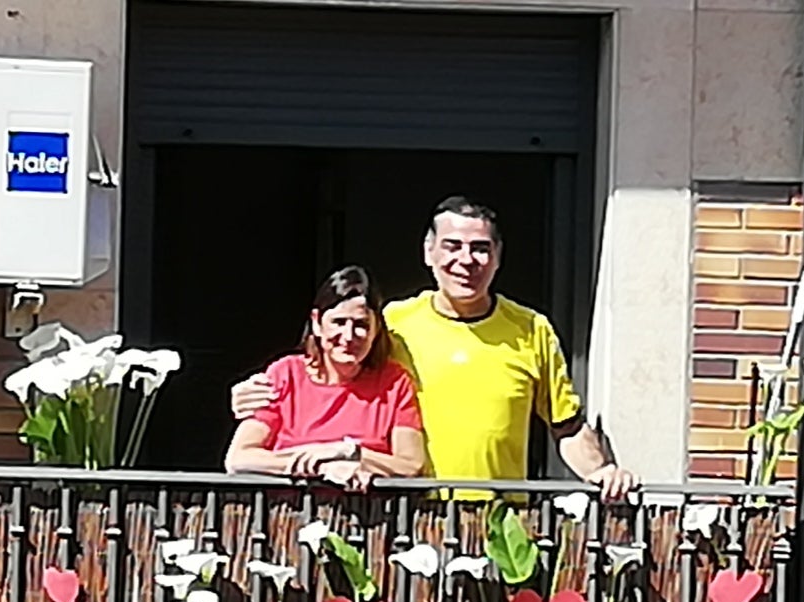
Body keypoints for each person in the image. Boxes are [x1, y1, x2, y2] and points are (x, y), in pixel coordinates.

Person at [231, 196, 633, 501]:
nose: (466, 260)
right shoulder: (393, 322)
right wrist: (255, 395)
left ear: (497, 258)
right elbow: (333, 374)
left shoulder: (531, 329)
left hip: (500, 519)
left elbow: (567, 427)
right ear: (429, 253)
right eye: (452, 246)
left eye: (480, 248)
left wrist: (603, 473)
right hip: (406, 516)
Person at [224, 265, 425, 490]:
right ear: (317, 323)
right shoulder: (286, 374)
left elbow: (411, 465)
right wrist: (321, 464)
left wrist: (348, 452)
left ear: (376, 329)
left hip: (369, 516)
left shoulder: (393, 382)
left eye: (361, 325)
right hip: (288, 514)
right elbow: (239, 458)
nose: (348, 336)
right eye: (339, 322)